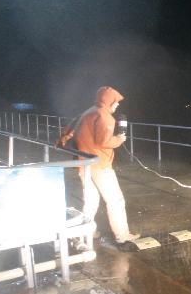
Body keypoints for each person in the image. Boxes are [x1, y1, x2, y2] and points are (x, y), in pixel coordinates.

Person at [57, 86, 139, 249]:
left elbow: (68, 131)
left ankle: (86, 232)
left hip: (83, 164)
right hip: (100, 166)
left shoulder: (87, 113)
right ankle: (122, 236)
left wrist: (62, 140)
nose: (117, 106)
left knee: (91, 201)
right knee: (115, 200)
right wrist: (119, 139)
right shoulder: (105, 117)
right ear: (109, 101)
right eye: (116, 103)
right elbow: (104, 142)